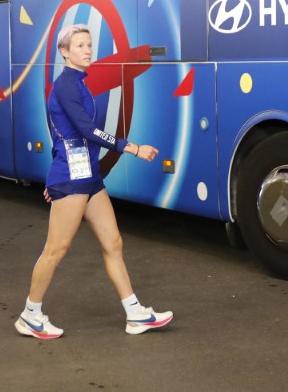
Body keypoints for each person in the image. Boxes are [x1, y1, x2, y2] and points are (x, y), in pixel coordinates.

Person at [15, 24, 173, 339]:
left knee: (113, 243)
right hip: (72, 179)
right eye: (80, 46)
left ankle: (134, 313)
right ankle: (30, 315)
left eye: (89, 44)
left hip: (89, 178)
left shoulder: (78, 83)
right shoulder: (65, 86)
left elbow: (60, 133)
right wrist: (133, 148)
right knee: (56, 250)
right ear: (64, 51)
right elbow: (87, 131)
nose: (87, 50)